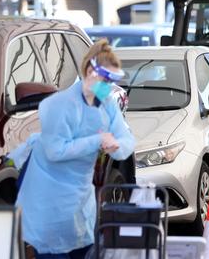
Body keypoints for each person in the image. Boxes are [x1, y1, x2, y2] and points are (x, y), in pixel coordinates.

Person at [15, 39, 135, 259]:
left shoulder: (106, 104)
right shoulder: (61, 104)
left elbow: (125, 142)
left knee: (83, 246)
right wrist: (95, 141)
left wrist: (116, 144)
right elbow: (55, 150)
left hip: (77, 192)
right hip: (46, 185)